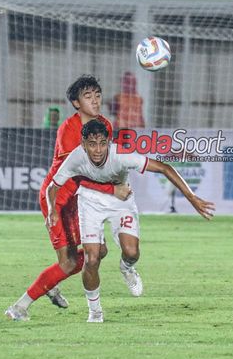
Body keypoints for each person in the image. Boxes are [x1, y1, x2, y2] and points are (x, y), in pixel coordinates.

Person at [47, 119, 215, 322]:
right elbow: (52, 187)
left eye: (102, 143)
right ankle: (95, 312)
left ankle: (126, 267)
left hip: (121, 199)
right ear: (83, 144)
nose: (98, 149)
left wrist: (192, 198)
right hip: (90, 201)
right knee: (92, 258)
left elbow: (164, 168)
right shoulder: (76, 158)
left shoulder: (122, 155)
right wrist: (51, 211)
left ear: (109, 142)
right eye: (92, 144)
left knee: (132, 252)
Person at [5, 75, 133, 321]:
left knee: (99, 252)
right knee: (69, 262)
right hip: (58, 201)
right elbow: (74, 174)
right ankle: (19, 307)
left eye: (97, 95)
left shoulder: (104, 124)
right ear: (76, 103)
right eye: (88, 97)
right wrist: (110, 190)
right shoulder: (68, 130)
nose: (95, 101)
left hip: (80, 200)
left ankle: (52, 281)